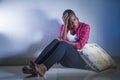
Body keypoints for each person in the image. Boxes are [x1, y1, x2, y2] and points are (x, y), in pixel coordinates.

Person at [22, 9, 90, 77]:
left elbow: (80, 45)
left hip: (79, 60)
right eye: (69, 23)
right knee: (56, 41)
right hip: (66, 61)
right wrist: (65, 25)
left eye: (74, 21)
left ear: (77, 18)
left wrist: (64, 41)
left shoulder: (85, 27)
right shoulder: (64, 27)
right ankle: (34, 66)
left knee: (63, 43)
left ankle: (44, 68)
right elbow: (62, 41)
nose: (72, 25)